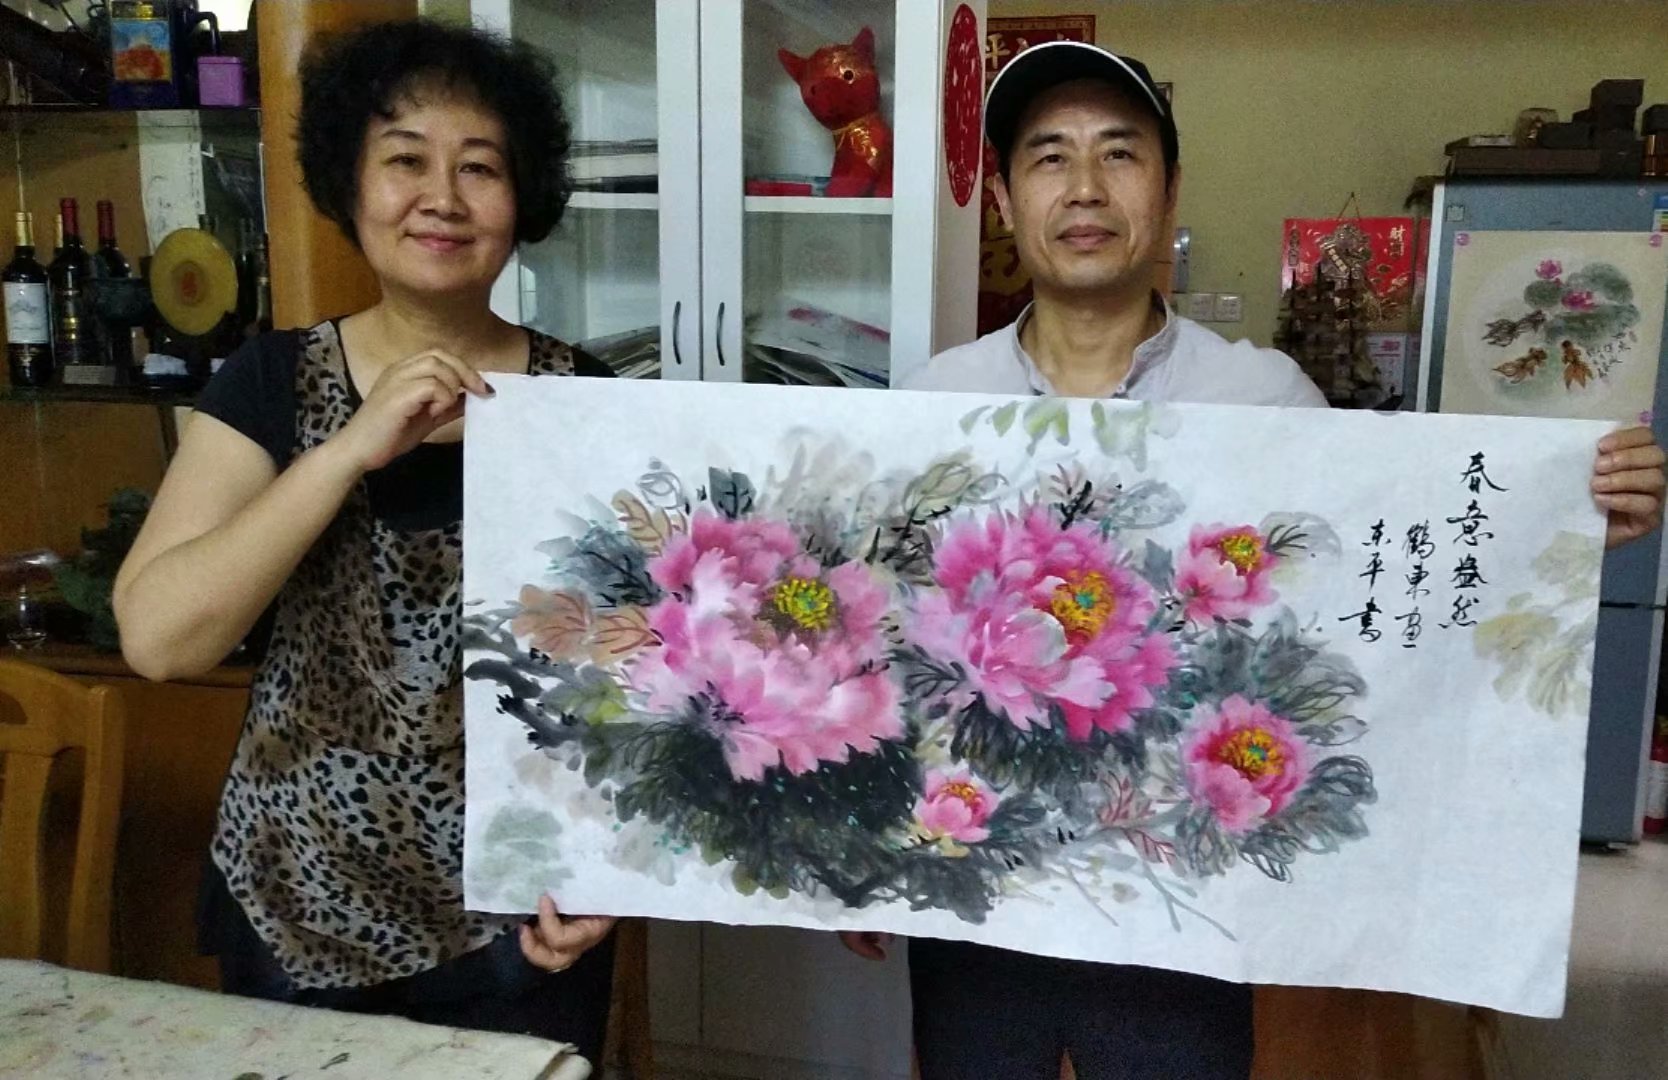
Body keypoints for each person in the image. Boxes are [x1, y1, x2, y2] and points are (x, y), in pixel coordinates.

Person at [846, 40, 1668, 1079]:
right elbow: (876, 645)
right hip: (983, 889)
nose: (1085, 186)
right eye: (1050, 156)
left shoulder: (1266, 400)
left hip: (1187, 903)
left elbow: (1376, 606)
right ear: (1006, 200)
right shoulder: (930, 408)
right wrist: (852, 852)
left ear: (1169, 189)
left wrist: (1564, 527)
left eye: (1119, 152)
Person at [113, 20, 617, 1063]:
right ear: (350, 184)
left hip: (521, 912)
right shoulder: (270, 381)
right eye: (405, 160)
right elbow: (159, 640)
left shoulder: (585, 401)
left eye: (480, 167)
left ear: (523, 197)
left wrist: (609, 867)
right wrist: (346, 450)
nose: (442, 197)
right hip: (297, 896)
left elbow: (634, 679)